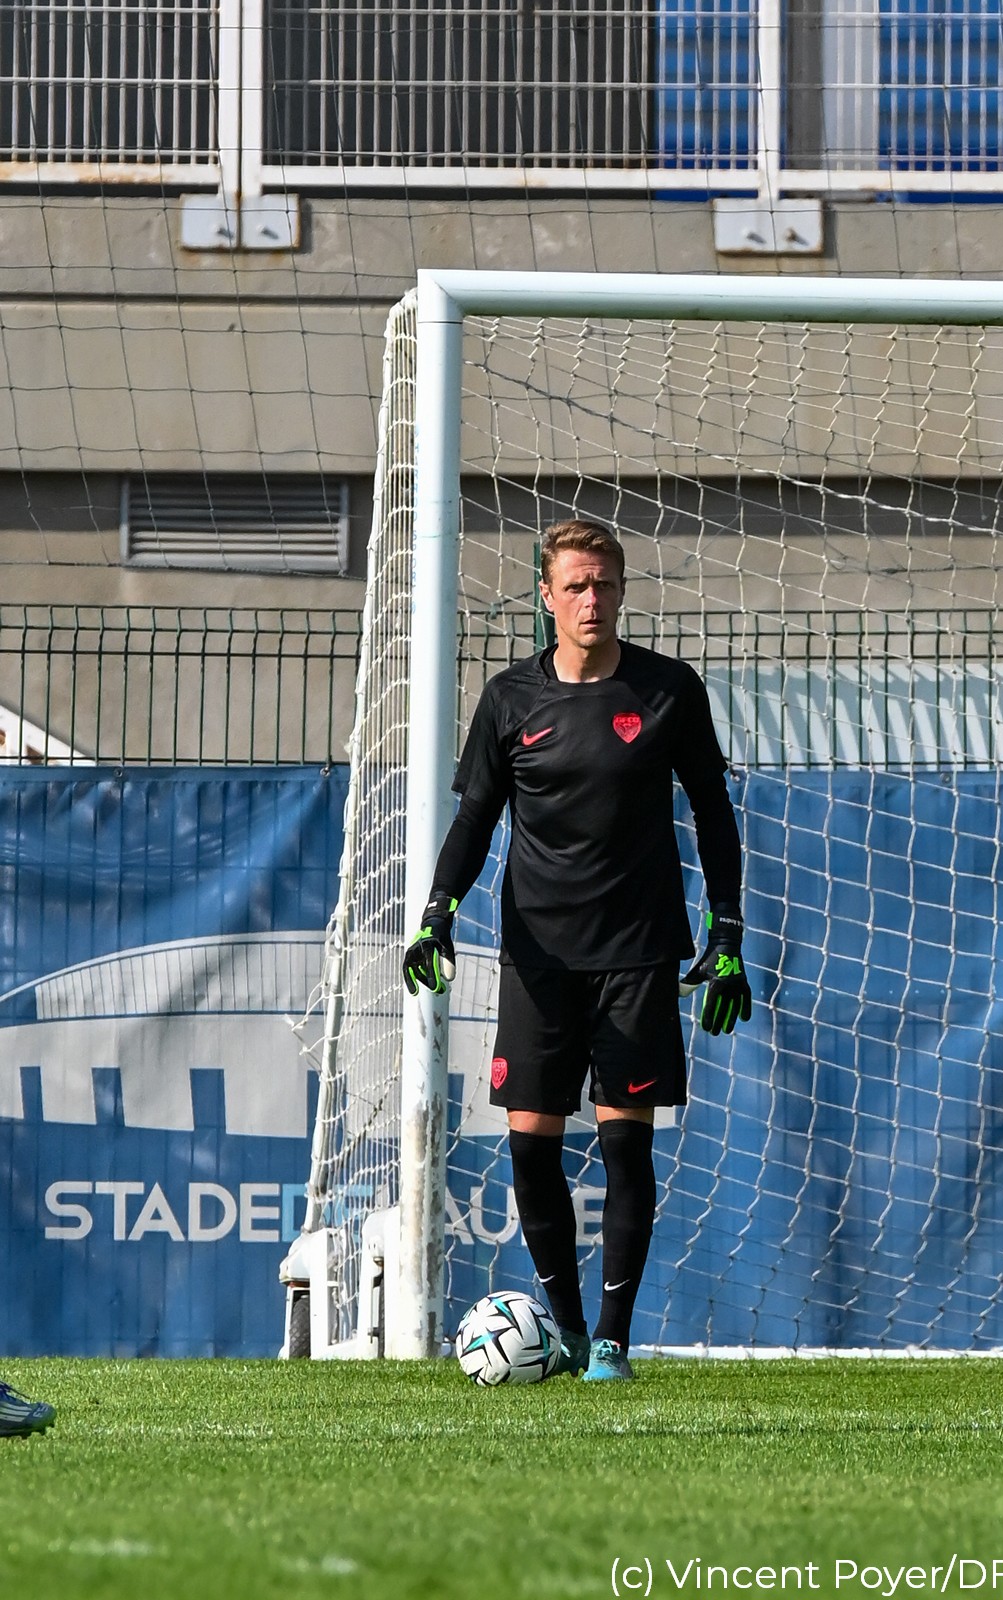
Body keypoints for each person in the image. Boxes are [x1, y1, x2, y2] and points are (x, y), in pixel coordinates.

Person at [403, 518, 751, 1381]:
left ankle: (611, 1342)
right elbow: (475, 818)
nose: (591, 599)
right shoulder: (509, 698)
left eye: (604, 584)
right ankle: (562, 1330)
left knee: (626, 1146)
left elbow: (713, 812)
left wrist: (727, 931)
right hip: (537, 959)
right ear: (547, 597)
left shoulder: (667, 689)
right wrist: (437, 913)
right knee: (530, 1146)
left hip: (636, 954)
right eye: (575, 586)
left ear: (621, 591)